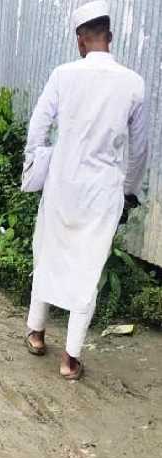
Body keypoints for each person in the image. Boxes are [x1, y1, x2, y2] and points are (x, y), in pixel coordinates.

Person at [23, 0, 148, 380]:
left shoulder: (63, 75)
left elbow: (38, 128)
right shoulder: (133, 83)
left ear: (81, 41)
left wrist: (39, 164)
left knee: (48, 253)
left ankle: (37, 332)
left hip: (62, 186)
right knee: (87, 268)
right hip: (102, 194)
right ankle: (70, 358)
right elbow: (140, 149)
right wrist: (127, 192)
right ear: (110, 37)